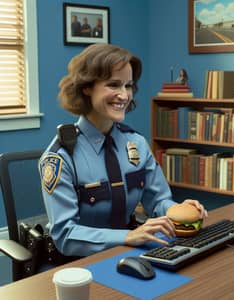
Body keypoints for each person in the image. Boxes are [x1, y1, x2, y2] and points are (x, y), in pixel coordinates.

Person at [39, 43, 207, 258]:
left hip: (132, 252)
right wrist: (127, 237)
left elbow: (156, 201)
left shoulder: (136, 143)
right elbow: (65, 235)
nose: (124, 95)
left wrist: (180, 210)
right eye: (113, 84)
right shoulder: (60, 157)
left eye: (128, 86)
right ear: (86, 87)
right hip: (80, 264)